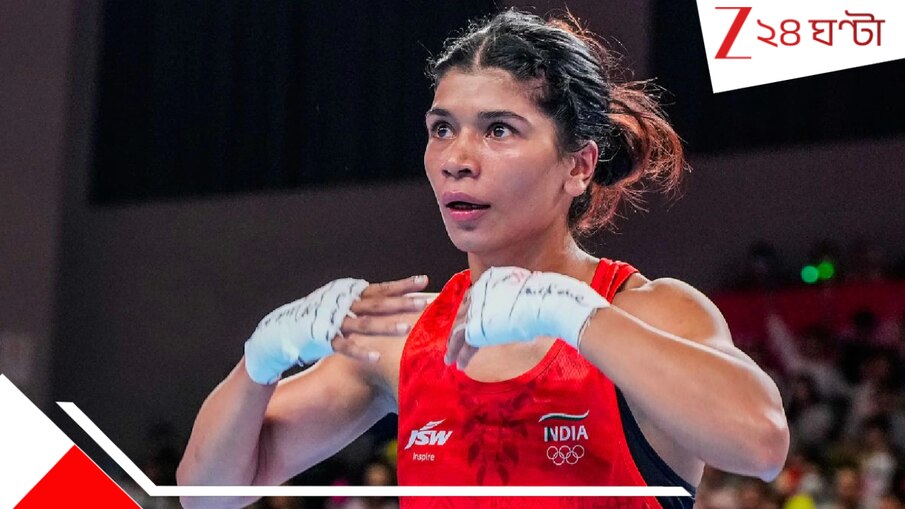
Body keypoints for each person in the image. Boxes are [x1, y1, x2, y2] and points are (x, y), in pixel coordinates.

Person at [176, 9, 789, 509]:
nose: (456, 159)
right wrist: (260, 359)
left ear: (579, 165)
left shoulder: (649, 312)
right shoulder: (405, 340)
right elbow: (205, 494)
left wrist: (576, 316)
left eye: (498, 130)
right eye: (442, 129)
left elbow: (761, 446)